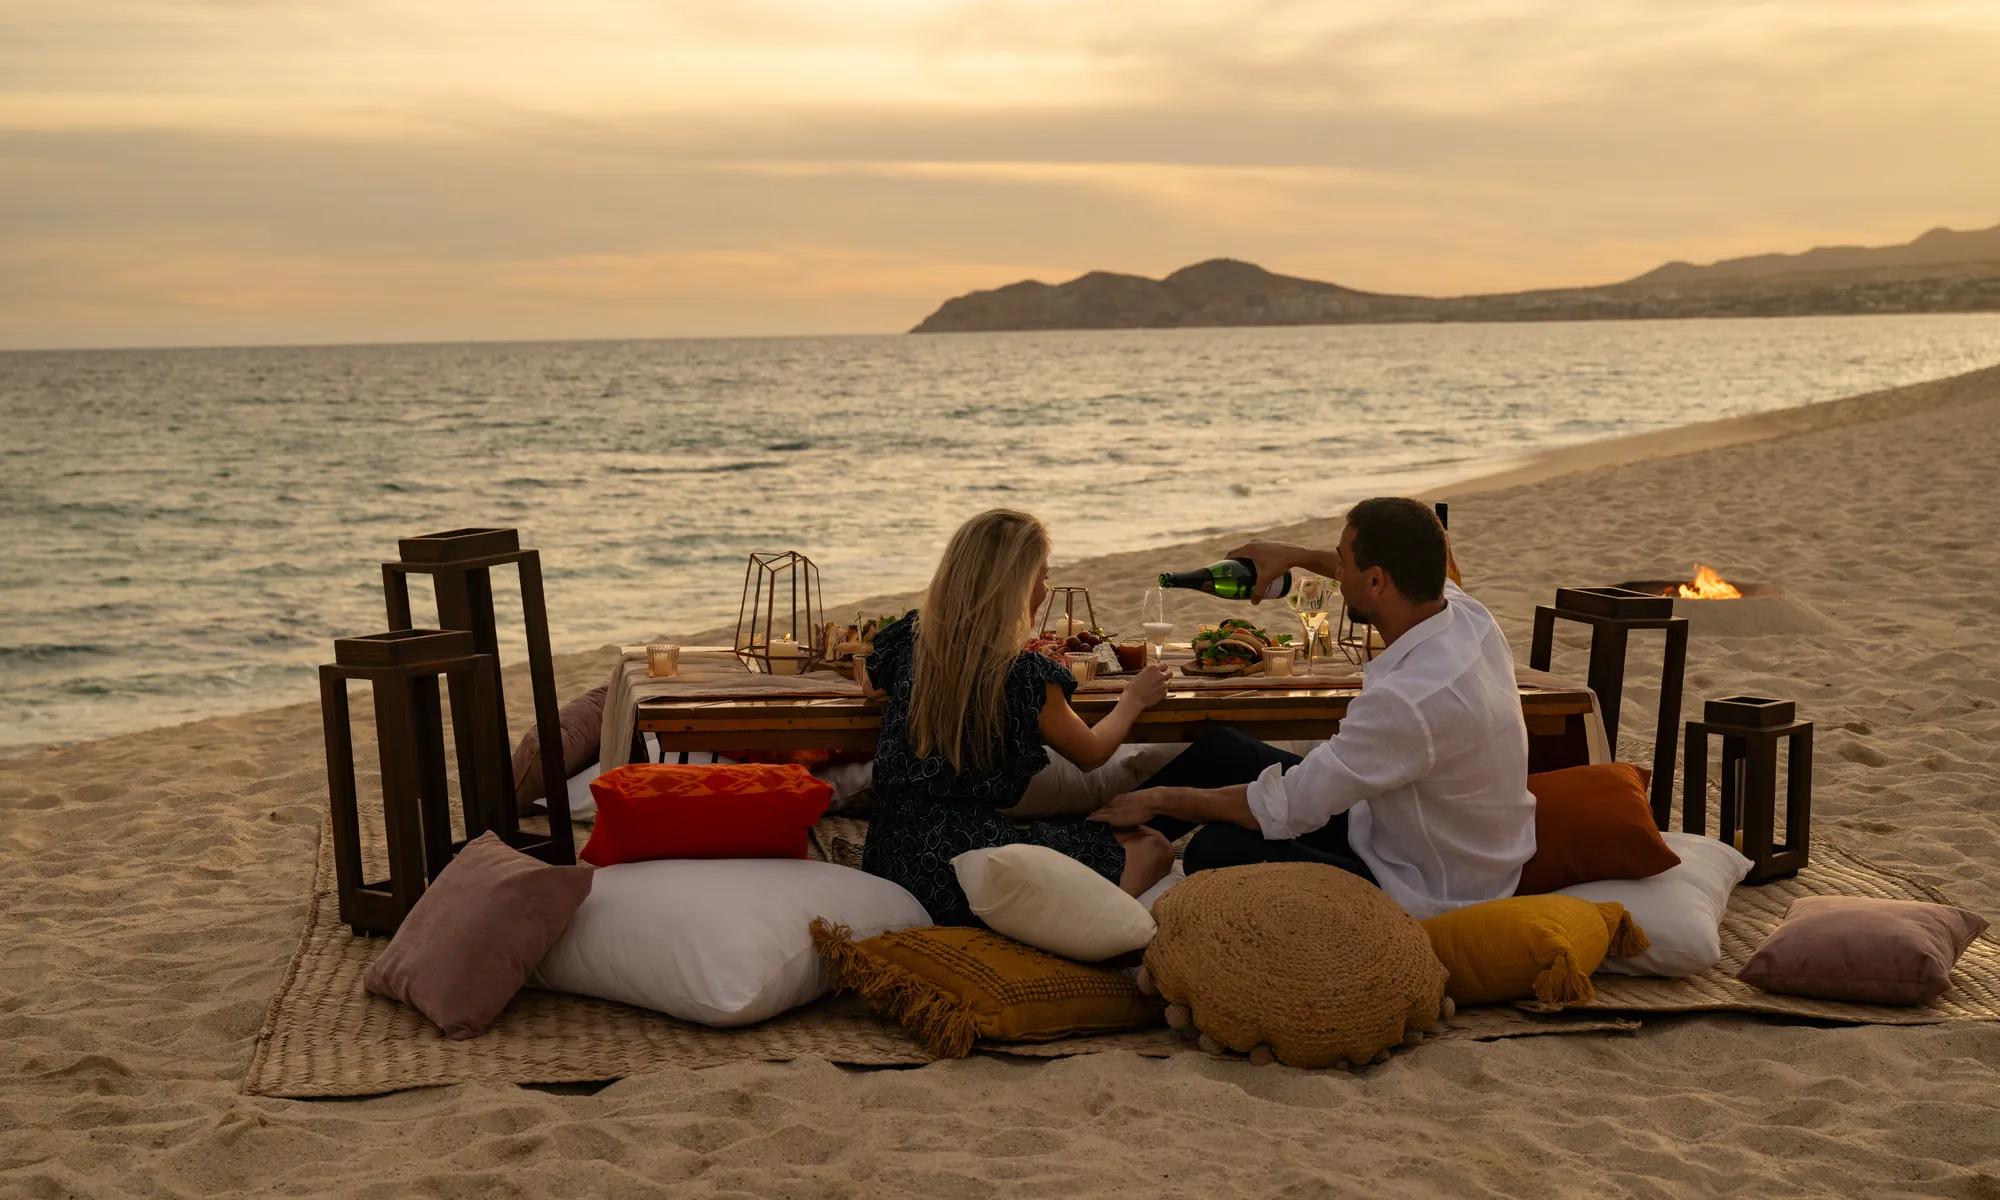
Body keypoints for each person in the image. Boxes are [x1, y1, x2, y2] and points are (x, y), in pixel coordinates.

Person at [1088, 497, 1534, 919]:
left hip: (1424, 884)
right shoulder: (1468, 615)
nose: (1336, 573)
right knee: (1223, 751)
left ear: (1376, 581)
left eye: (1342, 562)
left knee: (1214, 847)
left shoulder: (1412, 699)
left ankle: (1103, 849)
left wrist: (1160, 800)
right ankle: (1090, 849)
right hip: (1397, 831)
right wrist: (1294, 555)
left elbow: (1287, 807)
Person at [862, 509, 1176, 925]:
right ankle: (1064, 924)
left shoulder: (911, 637)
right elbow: (1092, 754)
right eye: (1041, 576)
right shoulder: (1022, 675)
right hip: (973, 863)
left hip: (890, 853)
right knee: (1153, 846)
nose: (1044, 589)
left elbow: (869, 685)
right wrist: (1134, 699)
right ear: (1016, 584)